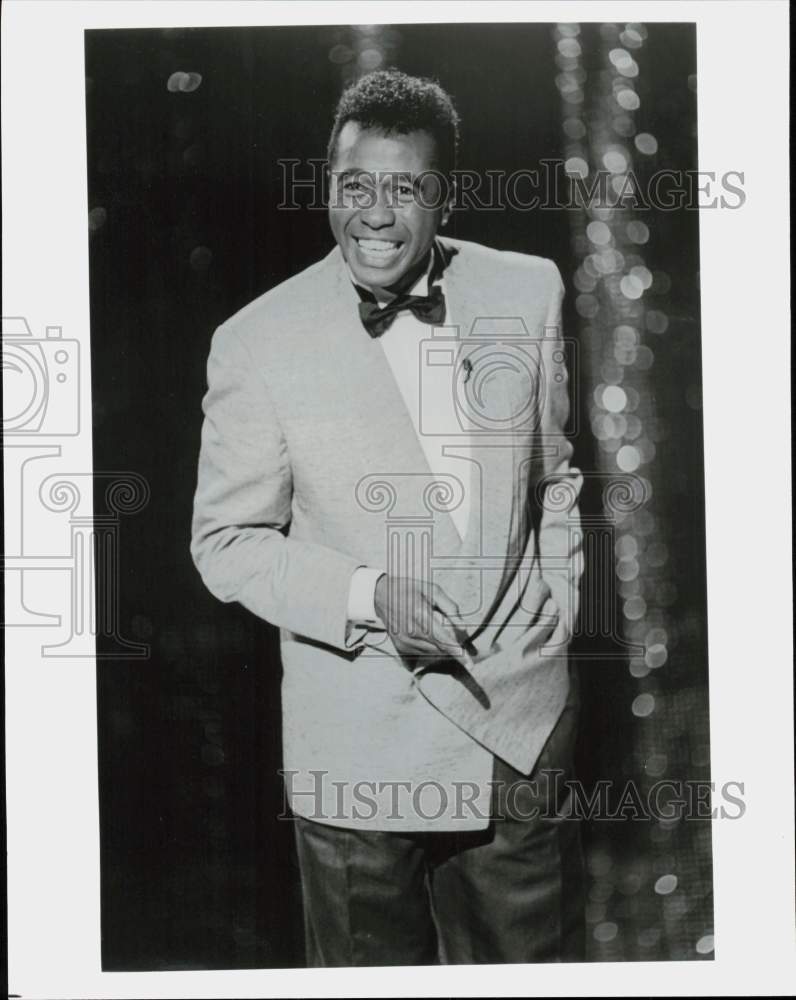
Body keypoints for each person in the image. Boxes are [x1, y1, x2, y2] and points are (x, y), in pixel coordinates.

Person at [191, 69, 585, 966]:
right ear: (329, 186)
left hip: (513, 728)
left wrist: (557, 601)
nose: (373, 213)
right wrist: (370, 594)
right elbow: (225, 543)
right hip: (356, 751)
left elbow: (553, 475)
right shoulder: (258, 339)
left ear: (441, 195)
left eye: (403, 187)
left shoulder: (527, 290)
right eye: (352, 186)